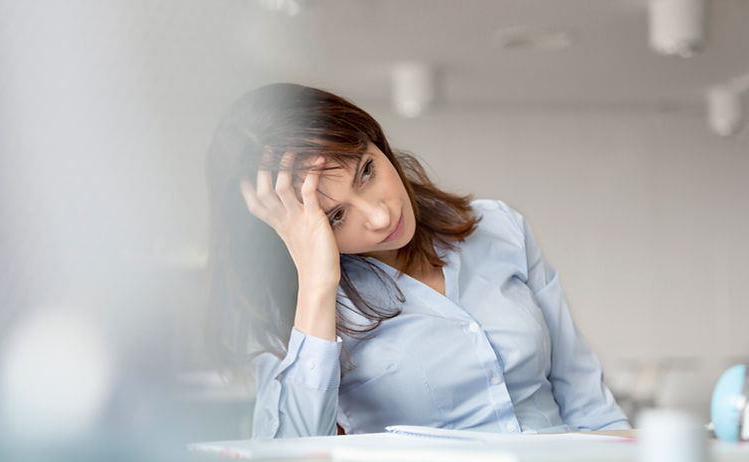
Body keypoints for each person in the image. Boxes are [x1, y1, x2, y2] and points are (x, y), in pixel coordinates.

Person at [205, 83, 629, 439]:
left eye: (366, 172)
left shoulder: (499, 227)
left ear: (377, 142)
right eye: (335, 217)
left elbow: (589, 404)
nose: (380, 216)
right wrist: (317, 284)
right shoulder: (293, 310)